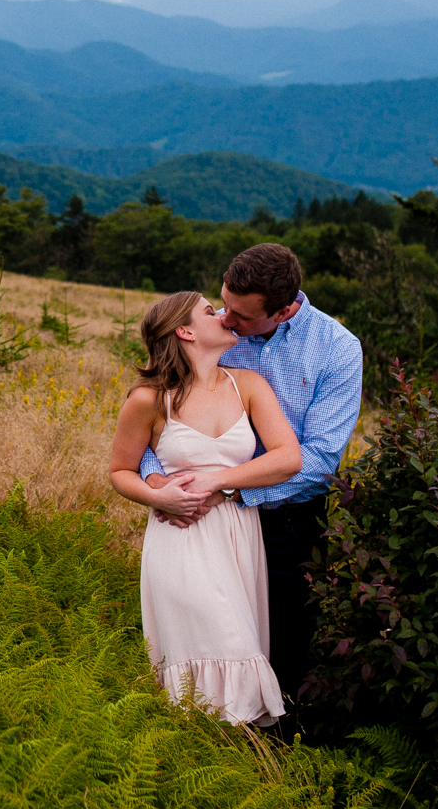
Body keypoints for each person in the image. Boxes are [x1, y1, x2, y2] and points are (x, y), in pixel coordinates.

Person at [139, 243, 364, 705]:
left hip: (287, 520)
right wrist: (157, 480)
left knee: (280, 642)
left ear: (281, 311)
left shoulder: (337, 350)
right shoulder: (212, 333)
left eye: (239, 316)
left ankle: (271, 754)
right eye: (223, 304)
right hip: (203, 517)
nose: (226, 319)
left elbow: (319, 458)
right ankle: (195, 735)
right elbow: (158, 416)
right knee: (206, 632)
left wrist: (227, 490)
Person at [110, 291, 302, 725]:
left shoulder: (249, 385)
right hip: (180, 538)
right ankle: (195, 757)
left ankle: (225, 766)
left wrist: (218, 481)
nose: (224, 316)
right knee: (218, 648)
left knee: (239, 645)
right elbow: (121, 470)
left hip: (237, 536)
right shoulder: (148, 399)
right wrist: (158, 496)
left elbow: (288, 458)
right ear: (186, 330)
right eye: (210, 312)